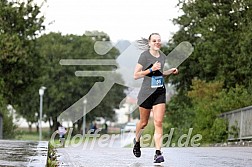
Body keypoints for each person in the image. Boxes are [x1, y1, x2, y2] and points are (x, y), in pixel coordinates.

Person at [133, 33, 178, 163]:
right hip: (146, 93)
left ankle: (158, 153)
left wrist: (170, 71)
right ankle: (136, 141)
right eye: (154, 41)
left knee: (158, 122)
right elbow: (136, 75)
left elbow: (160, 74)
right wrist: (151, 69)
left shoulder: (163, 56)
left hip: (159, 92)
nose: (157, 42)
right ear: (149, 43)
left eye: (159, 40)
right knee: (144, 123)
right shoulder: (144, 56)